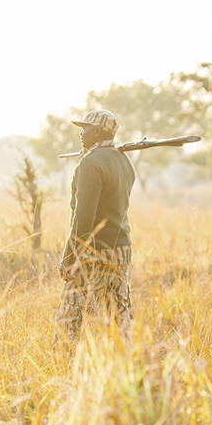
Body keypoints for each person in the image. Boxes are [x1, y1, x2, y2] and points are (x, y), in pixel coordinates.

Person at [56, 109, 135, 344]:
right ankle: (127, 367)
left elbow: (83, 217)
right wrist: (87, 160)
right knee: (120, 318)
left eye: (85, 128)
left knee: (69, 316)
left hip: (93, 253)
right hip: (120, 249)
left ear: (98, 132)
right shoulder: (123, 160)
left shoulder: (90, 163)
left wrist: (70, 258)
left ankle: (63, 365)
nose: (81, 133)